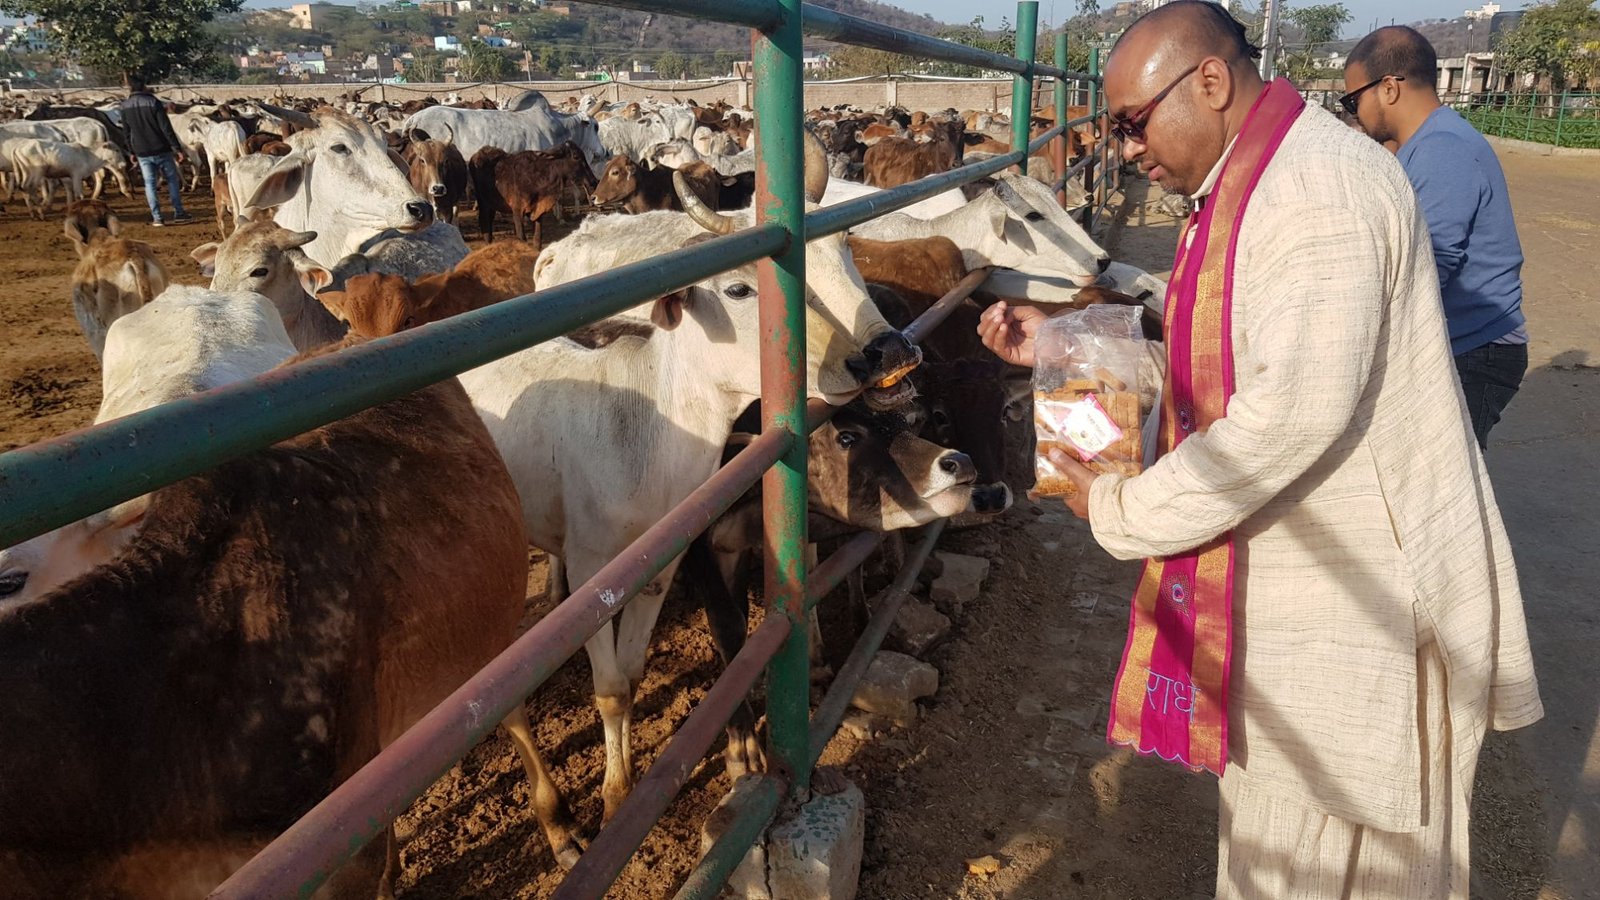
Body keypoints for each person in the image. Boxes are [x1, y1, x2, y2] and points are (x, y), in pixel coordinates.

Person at [977, 3, 1542, 897]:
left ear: (1209, 80)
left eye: (1132, 121)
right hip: (1307, 585)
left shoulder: (1316, 191)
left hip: (1355, 607)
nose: (1124, 147)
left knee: (1328, 862)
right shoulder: (1257, 181)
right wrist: (1065, 339)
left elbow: (1286, 415)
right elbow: (1224, 351)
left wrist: (1122, 508)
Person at [1342, 27, 1528, 450]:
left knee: (1443, 478)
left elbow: (1424, 267)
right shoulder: (1424, 144)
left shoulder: (1442, 148)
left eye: (1353, 101)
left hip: (1475, 349)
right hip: (1462, 342)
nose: (1355, 115)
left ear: (1389, 88)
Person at [119, 75, 192, 226]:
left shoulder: (125, 106)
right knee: (172, 180)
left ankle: (157, 217)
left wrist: (131, 152)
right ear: (143, 86)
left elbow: (126, 132)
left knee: (149, 184)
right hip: (161, 148)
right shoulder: (153, 102)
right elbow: (166, 128)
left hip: (142, 151)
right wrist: (177, 148)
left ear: (130, 88)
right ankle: (179, 213)